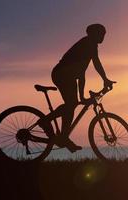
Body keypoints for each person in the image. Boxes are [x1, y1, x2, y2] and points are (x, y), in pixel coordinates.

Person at [39, 24, 115, 152]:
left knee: (71, 105)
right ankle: (46, 122)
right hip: (63, 73)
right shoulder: (88, 44)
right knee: (72, 104)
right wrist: (104, 80)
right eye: (101, 34)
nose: (103, 37)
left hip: (66, 74)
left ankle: (63, 137)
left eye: (104, 34)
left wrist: (103, 81)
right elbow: (91, 67)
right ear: (94, 34)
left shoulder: (90, 45)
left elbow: (83, 72)